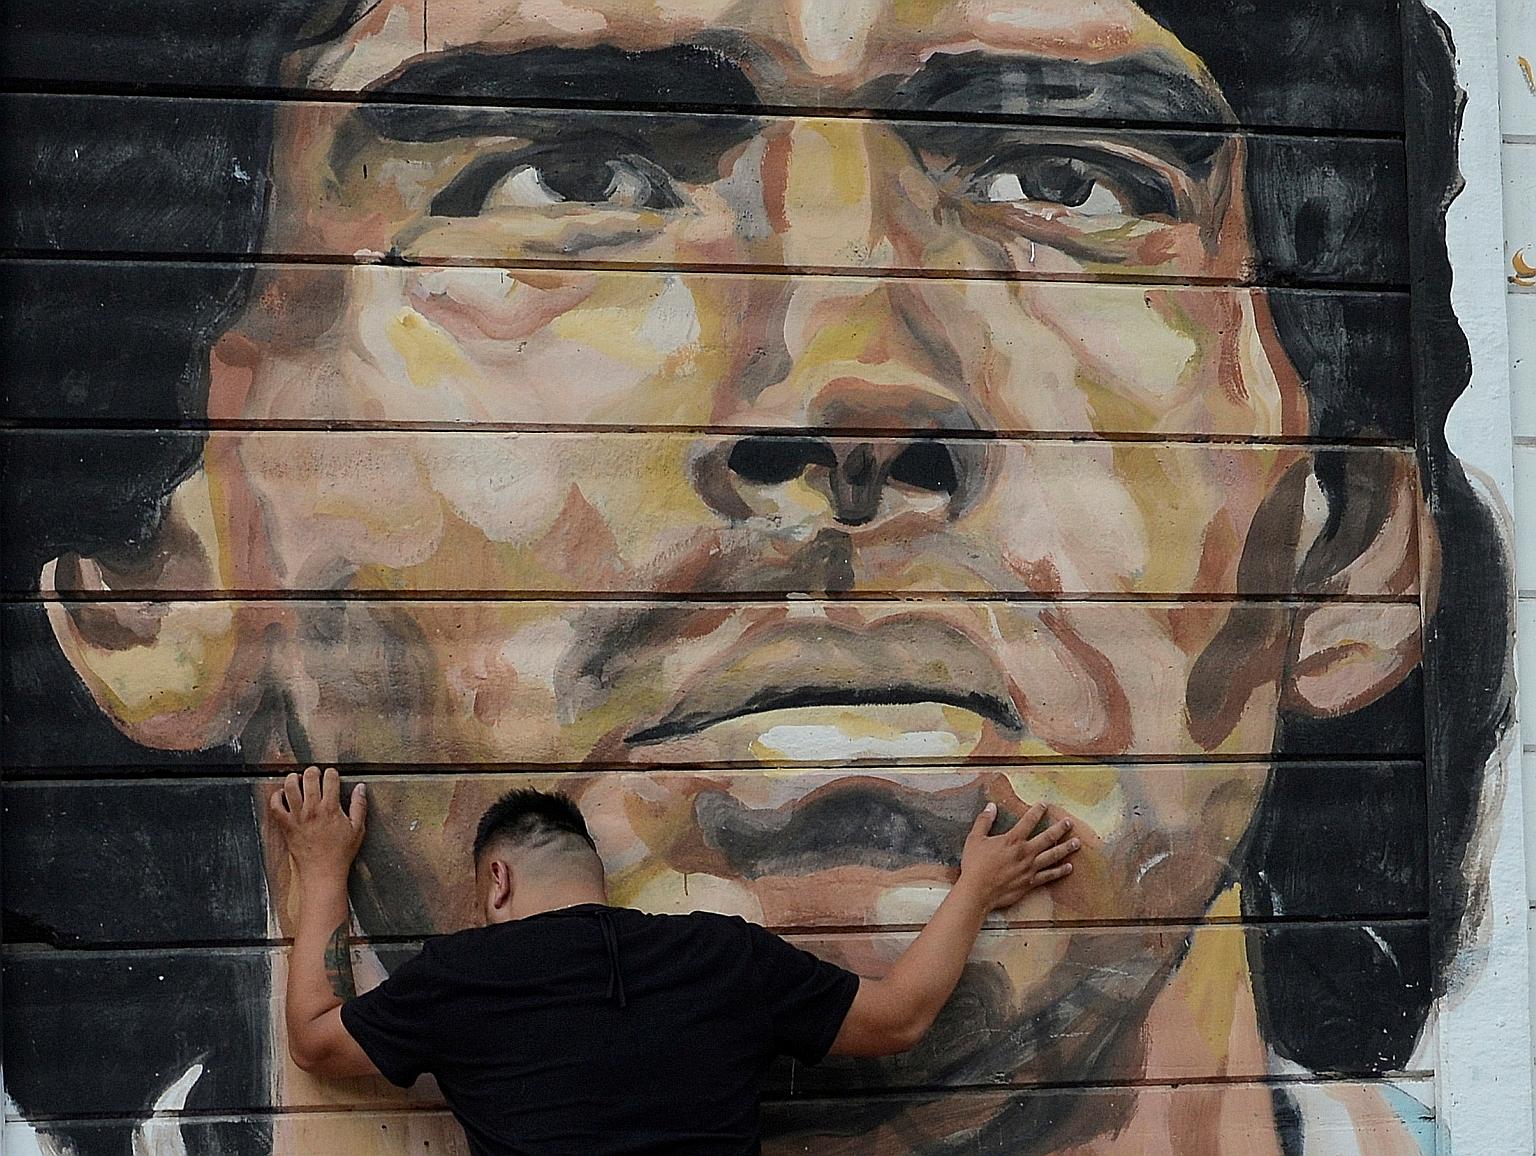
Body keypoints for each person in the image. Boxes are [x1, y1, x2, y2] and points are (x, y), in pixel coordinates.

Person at [0, 1, 1508, 1153]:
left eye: (1067, 179)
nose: (852, 390)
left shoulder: (505, 991)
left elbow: (333, 1042)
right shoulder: (715, 973)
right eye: (564, 175)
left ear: (1350, 548)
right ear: (164, 578)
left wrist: (315, 877)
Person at [269, 767, 1078, 1153]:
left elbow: (314, 1037)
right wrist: (976, 888)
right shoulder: (723, 957)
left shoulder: (460, 976)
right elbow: (900, 1016)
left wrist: (324, 865)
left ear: (498, 881)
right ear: (595, 876)